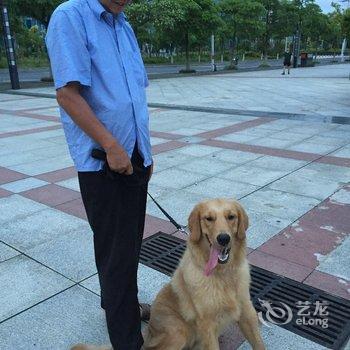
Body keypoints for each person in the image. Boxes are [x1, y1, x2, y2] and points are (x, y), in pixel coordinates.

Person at [46, 0, 153, 349]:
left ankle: (123, 307)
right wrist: (111, 145)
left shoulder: (124, 25)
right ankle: (127, 341)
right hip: (103, 161)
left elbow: (134, 96)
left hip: (132, 155)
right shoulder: (70, 17)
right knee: (115, 253)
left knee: (130, 245)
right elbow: (67, 94)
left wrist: (144, 152)